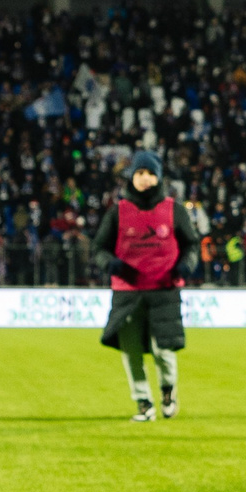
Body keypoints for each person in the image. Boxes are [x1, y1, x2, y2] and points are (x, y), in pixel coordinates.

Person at [91, 149, 200, 421]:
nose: (145, 178)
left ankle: (167, 391)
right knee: (130, 351)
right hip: (128, 291)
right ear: (132, 177)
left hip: (164, 289)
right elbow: (99, 248)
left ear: (159, 177)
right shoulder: (117, 212)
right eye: (140, 173)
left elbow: (191, 245)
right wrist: (112, 265)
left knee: (164, 349)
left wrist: (185, 266)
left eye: (151, 173)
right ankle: (143, 402)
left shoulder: (174, 210)